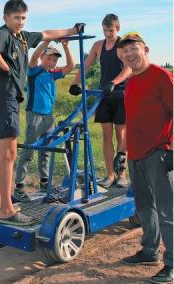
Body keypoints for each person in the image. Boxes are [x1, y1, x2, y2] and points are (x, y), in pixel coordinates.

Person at [0, 0, 82, 225]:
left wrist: (73, 31)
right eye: (16, 17)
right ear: (5, 18)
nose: (20, 21)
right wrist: (6, 67)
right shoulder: (3, 34)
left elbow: (48, 33)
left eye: (23, 18)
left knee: (1, 153)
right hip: (5, 97)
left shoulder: (24, 37)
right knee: (10, 154)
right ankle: (7, 209)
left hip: (6, 99)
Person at [117, 32, 173, 284]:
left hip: (159, 152)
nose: (130, 55)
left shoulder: (162, 76)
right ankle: (150, 252)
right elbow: (131, 120)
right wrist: (123, 150)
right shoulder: (131, 82)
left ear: (146, 49)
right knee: (144, 207)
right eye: (125, 51)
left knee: (166, 209)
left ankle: (171, 264)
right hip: (136, 154)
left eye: (134, 49)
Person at [69, 14, 132, 188]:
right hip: (104, 95)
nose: (108, 34)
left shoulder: (123, 46)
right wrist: (75, 83)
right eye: (105, 30)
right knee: (106, 136)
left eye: (111, 30)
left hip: (120, 94)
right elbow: (86, 65)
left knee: (121, 135)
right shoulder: (98, 45)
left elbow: (128, 70)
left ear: (117, 29)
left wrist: (114, 82)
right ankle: (110, 175)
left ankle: (122, 175)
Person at [14, 40, 75, 201]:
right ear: (42, 57)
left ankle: (44, 182)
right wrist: (47, 39)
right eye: (49, 58)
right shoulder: (34, 71)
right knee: (29, 150)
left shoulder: (52, 74)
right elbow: (32, 58)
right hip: (35, 116)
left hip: (49, 118)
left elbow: (70, 67)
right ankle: (19, 187)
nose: (51, 62)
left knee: (46, 151)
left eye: (54, 60)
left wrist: (67, 47)